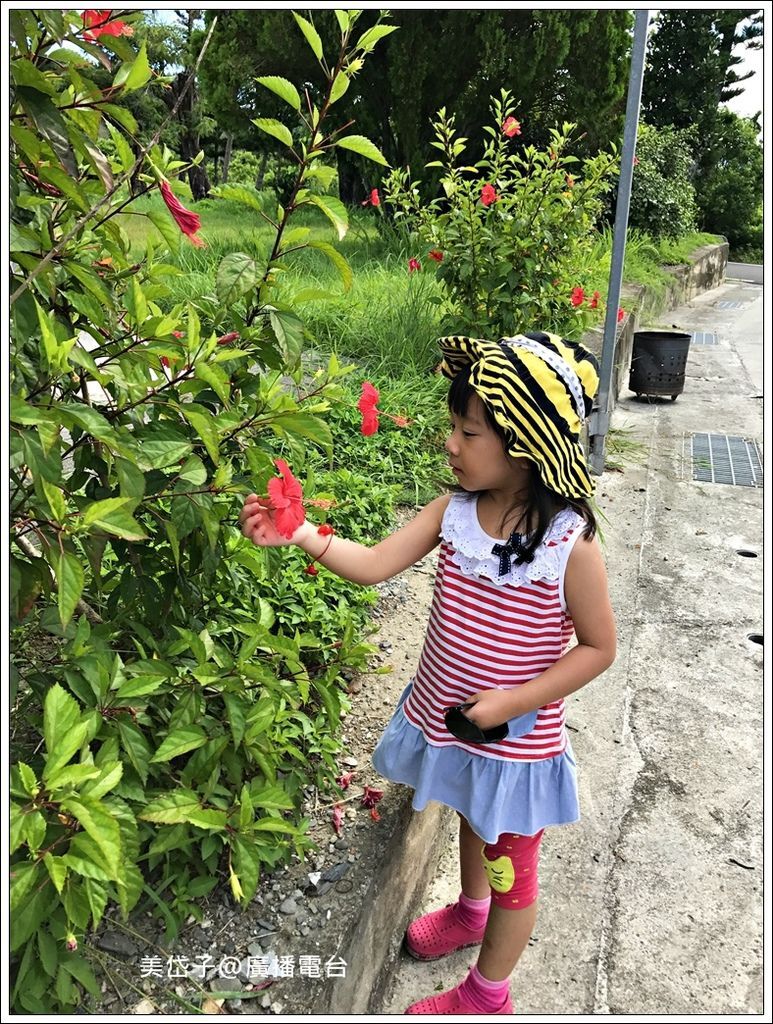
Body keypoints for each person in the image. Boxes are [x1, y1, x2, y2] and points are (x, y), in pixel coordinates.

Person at [239, 332, 616, 1015]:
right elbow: (376, 563)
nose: (449, 443)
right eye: (452, 426)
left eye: (467, 431)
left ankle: (486, 993)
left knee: (512, 873)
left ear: (526, 441)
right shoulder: (455, 513)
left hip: (511, 743)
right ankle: (470, 913)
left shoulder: (570, 547)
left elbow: (596, 648)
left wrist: (514, 701)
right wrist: (298, 534)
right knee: (471, 819)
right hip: (455, 723)